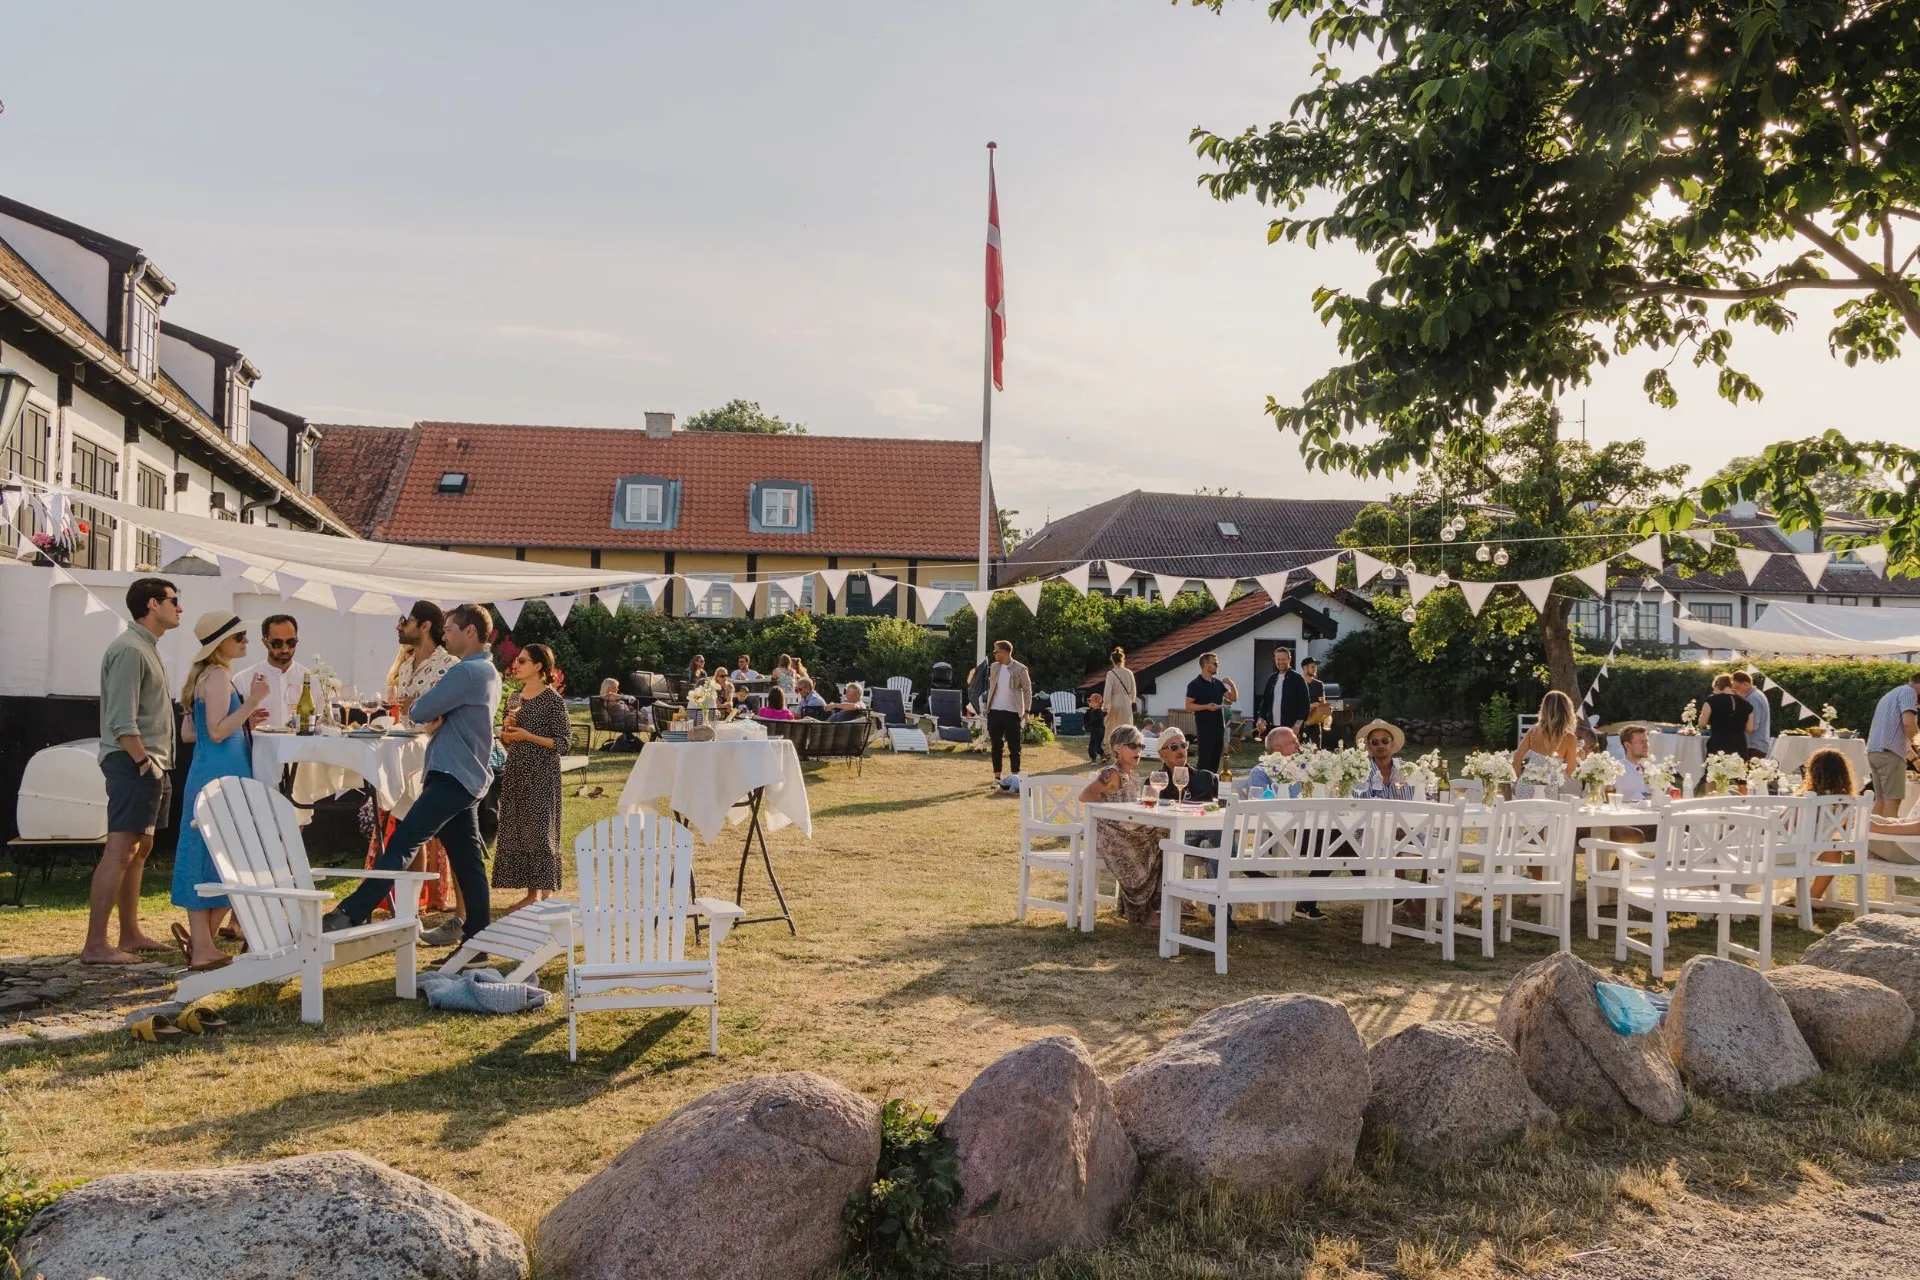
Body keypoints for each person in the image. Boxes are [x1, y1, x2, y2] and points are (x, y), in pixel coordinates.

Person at [326, 604, 501, 942]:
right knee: (468, 864)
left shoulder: (466, 672)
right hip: (465, 776)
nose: (445, 636)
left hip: (452, 775)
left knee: (403, 842)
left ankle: (350, 913)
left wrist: (425, 708)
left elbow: (420, 710)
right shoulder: (488, 671)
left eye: (450, 630)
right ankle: (478, 941)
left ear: (470, 632)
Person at [86, 577, 182, 965]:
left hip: (151, 762)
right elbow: (121, 718)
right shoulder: (130, 649)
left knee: (140, 849)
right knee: (121, 848)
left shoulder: (146, 646)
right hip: (134, 762)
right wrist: (143, 762)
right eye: (174, 600)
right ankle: (95, 945)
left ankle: (130, 934)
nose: (179, 607)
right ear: (153, 604)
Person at [170, 612, 270, 970]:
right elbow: (214, 732)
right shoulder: (217, 675)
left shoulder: (204, 675)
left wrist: (242, 719)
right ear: (219, 643)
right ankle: (202, 947)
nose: (246, 641)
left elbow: (191, 733)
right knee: (220, 855)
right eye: (239, 636)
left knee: (213, 855)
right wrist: (252, 702)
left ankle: (202, 945)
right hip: (219, 775)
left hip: (210, 770)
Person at [378, 601, 460, 926]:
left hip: (440, 760)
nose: (400, 627)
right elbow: (407, 716)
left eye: (406, 620)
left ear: (424, 626)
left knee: (454, 838)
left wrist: (420, 708)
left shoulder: (450, 666)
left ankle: (465, 914)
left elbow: (449, 716)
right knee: (410, 833)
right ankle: (410, 911)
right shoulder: (407, 666)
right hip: (408, 759)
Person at [492, 643, 570, 914]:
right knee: (521, 830)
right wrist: (506, 734)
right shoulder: (515, 697)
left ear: (538, 666)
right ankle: (531, 894)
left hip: (542, 773)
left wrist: (528, 736)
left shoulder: (552, 700)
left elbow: (563, 743)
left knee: (541, 831)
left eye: (523, 661)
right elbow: (507, 738)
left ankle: (543, 895)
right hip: (517, 771)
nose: (517, 665)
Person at [1081, 725, 1170, 926]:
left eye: (1141, 746)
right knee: (1160, 839)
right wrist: (1112, 810)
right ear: (1118, 748)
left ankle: (1154, 906)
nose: (1138, 750)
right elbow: (1085, 795)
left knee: (1165, 837)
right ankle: (1149, 910)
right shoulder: (1112, 773)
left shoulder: (1134, 777)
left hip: (1127, 831)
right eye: (1133, 746)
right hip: (1110, 834)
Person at [1803, 748, 1863, 904]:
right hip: (1821, 848)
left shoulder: (1807, 799)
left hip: (1799, 849)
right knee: (1834, 848)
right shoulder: (1847, 801)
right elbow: (1845, 828)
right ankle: (1813, 897)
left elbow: (1786, 825)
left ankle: (1811, 898)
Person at [232, 614, 311, 730]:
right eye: (277, 643)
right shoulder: (242, 680)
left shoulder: (311, 679)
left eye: (291, 642)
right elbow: (229, 729)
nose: (285, 649)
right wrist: (243, 726)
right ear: (265, 642)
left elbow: (321, 725)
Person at [971, 640, 1033, 779]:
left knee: (1014, 747)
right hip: (994, 711)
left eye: (996, 651)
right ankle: (997, 777)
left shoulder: (1020, 669)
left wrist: (1027, 711)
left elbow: (1027, 690)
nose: (994, 654)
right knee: (996, 746)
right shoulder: (994, 667)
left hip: (1013, 712)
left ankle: (1015, 777)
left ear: (1004, 652)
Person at [1866, 670, 1920, 817]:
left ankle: (1870, 832)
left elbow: (1897, 734)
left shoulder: (1890, 695)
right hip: (1890, 755)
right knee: (1892, 804)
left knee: (1880, 802)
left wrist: (1915, 760)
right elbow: (1909, 724)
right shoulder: (1909, 693)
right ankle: (1888, 832)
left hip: (1875, 752)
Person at [1184, 652, 1238, 775]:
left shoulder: (1218, 684)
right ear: (1205, 664)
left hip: (1219, 728)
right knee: (1204, 762)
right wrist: (1206, 707)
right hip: (1205, 729)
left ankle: (1212, 784)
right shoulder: (1195, 684)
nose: (1217, 665)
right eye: (1215, 663)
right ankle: (1200, 784)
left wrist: (1232, 684)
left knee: (1215, 762)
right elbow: (1188, 706)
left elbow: (1233, 698)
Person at [1512, 690, 1582, 782]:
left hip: (1526, 784)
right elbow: (1570, 772)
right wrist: (1578, 758)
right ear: (1567, 711)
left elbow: (1516, 759)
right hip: (1551, 787)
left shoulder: (1533, 731)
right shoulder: (1569, 738)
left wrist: (1517, 782)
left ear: (1544, 709)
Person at [1254, 647, 1309, 740]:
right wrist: (1260, 719)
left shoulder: (1297, 679)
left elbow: (1304, 705)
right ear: (1275, 660)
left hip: (1291, 728)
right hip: (1273, 727)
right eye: (1278, 659)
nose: (1280, 662)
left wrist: (1297, 726)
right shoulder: (1272, 678)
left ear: (1289, 659)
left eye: (1283, 659)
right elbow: (1265, 702)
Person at [1698, 672, 1752, 761]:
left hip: (1718, 745)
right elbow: (1749, 729)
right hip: (1740, 747)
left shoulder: (1711, 700)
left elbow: (1702, 723)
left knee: (1716, 769)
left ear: (1717, 686)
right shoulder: (1746, 704)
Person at [1355, 719, 1409, 797]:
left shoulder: (1407, 770)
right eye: (1374, 742)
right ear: (1369, 745)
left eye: (1385, 740)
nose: (1380, 745)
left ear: (1392, 743)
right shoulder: (1359, 773)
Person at [1248, 726, 1302, 796]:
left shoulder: (1297, 770)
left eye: (1298, 741)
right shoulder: (1259, 773)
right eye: (1293, 742)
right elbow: (1259, 801)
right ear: (1277, 749)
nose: (1298, 746)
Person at [1101, 648, 1138, 750]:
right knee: (1126, 727)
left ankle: (1108, 750)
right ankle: (1126, 749)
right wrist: (1133, 701)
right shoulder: (1129, 672)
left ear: (1112, 660)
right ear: (1122, 660)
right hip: (1126, 702)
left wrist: (1105, 706)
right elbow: (1133, 689)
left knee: (1110, 727)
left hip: (1114, 701)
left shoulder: (1111, 673)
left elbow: (1108, 691)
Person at [1732, 670, 1772, 760]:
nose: (1735, 690)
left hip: (1754, 745)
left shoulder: (1753, 698)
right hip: (1755, 745)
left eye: (1736, 687)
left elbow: (1753, 726)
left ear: (1745, 684)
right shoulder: (1755, 695)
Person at [1616, 724, 1655, 802]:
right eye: (1641, 742)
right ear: (1627, 745)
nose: (1646, 746)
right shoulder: (1616, 770)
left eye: (1646, 741)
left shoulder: (1652, 768)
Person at [1299, 656, 1330, 747]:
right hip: (1300, 723)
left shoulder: (1319, 684)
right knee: (1300, 750)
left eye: (1315, 667)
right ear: (1305, 668)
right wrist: (1310, 706)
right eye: (1312, 666)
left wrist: (1323, 706)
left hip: (1315, 722)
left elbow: (1322, 702)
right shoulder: (1297, 683)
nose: (1315, 669)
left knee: (1317, 750)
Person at [1083, 692, 1107, 765]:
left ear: (1097, 703)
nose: (1089, 703)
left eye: (1091, 701)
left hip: (1097, 729)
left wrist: (1086, 726)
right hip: (1100, 730)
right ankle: (1102, 755)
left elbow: (1093, 721)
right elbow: (1086, 718)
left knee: (1093, 744)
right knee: (1097, 744)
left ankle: (1093, 759)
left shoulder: (1097, 712)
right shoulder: (1093, 711)